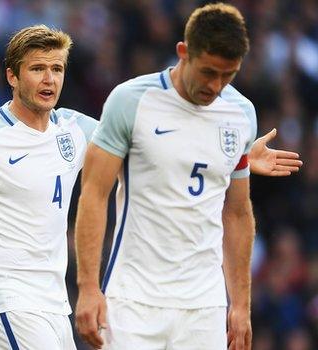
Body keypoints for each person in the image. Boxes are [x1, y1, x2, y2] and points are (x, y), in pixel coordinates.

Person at [0, 24, 301, 350]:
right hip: (5, 298)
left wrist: (234, 157)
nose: (49, 79)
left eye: (57, 69)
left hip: (55, 303)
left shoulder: (77, 129)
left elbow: (150, 153)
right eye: (37, 69)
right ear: (13, 76)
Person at [73, 3, 292, 350]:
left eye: (228, 75)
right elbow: (94, 194)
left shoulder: (241, 115)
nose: (216, 85)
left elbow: (236, 212)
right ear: (183, 52)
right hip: (134, 300)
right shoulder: (132, 101)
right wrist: (88, 288)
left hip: (203, 304)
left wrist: (240, 304)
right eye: (208, 72)